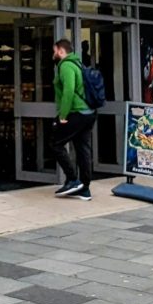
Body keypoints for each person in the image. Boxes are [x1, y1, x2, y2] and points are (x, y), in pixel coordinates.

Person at [51, 37, 95, 199]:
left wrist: (62, 115)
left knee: (55, 143)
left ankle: (72, 179)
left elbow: (69, 90)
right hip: (88, 113)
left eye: (54, 51)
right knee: (83, 149)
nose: (53, 54)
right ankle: (85, 188)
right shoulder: (77, 63)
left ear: (61, 51)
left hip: (76, 112)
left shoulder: (66, 66)